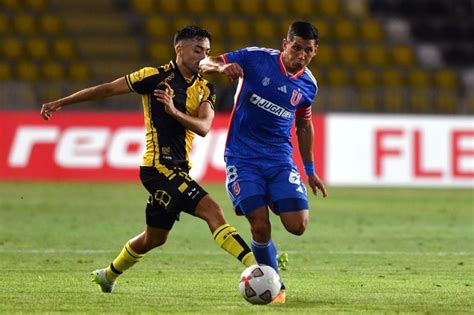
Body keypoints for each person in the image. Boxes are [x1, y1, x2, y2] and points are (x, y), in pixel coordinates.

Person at [40, 25, 256, 293]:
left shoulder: (204, 88)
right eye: (197, 49)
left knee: (154, 238)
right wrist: (60, 102)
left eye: (207, 51)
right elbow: (107, 89)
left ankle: (107, 276)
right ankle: (258, 267)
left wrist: (173, 110)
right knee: (213, 211)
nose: (203, 56)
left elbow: (203, 128)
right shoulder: (154, 77)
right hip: (157, 166)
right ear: (179, 49)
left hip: (178, 169)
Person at [199, 21, 328, 303]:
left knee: (298, 226)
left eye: (308, 50)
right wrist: (222, 67)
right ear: (285, 44)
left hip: (280, 159)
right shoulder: (256, 58)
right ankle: (274, 284)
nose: (301, 55)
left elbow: (304, 125)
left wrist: (310, 170)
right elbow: (204, 64)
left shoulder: (308, 85)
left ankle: (266, 197)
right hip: (242, 157)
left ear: (315, 51)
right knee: (259, 224)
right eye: (296, 48)